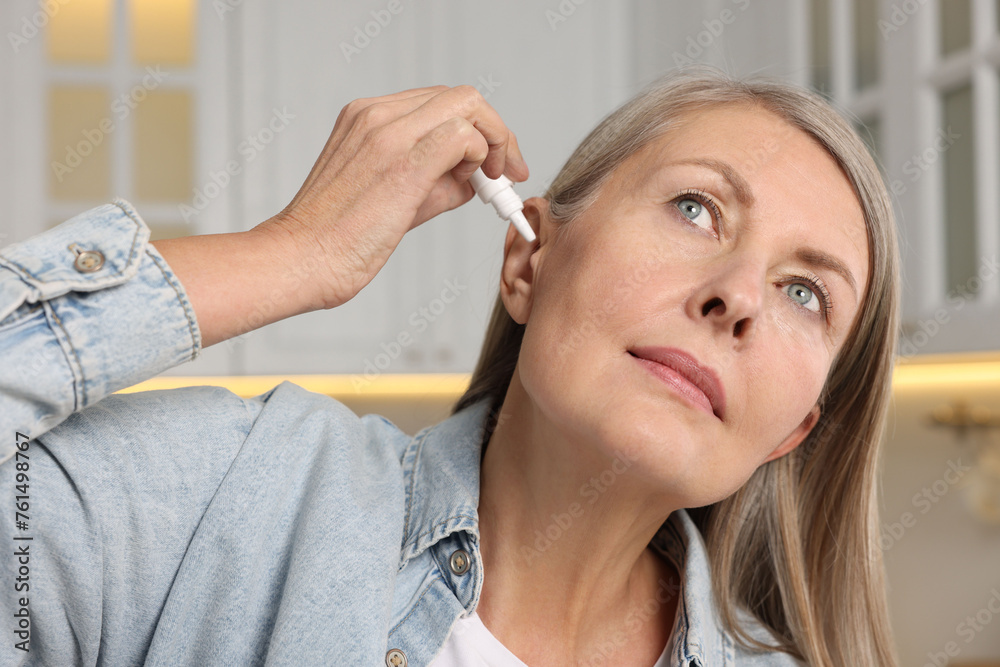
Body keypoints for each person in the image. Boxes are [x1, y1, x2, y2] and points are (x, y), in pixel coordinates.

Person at [0, 68, 900, 666]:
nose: (740, 293)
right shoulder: (231, 497)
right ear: (528, 260)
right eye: (697, 207)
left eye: (806, 293)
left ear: (794, 427)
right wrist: (290, 254)